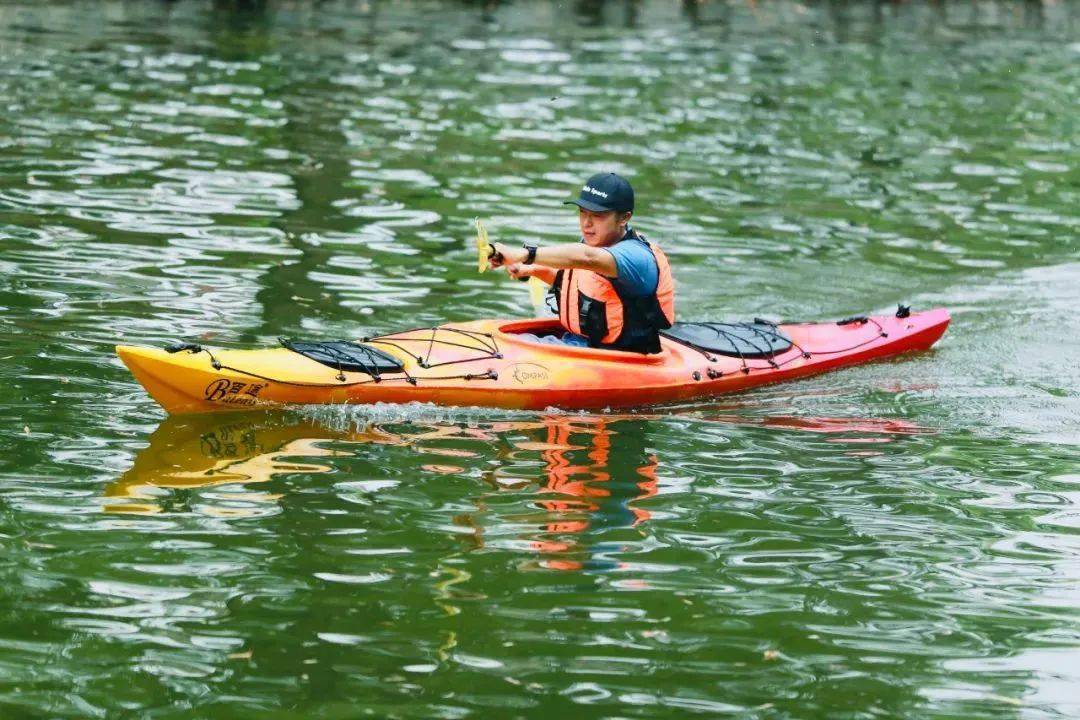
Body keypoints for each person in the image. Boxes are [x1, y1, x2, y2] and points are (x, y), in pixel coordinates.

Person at [490, 172, 675, 354]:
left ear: (624, 218)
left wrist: (523, 254)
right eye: (582, 212)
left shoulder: (636, 257)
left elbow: (587, 257)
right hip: (579, 345)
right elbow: (577, 282)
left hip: (619, 360)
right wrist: (530, 270)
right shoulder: (596, 241)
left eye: (598, 215)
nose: (586, 223)